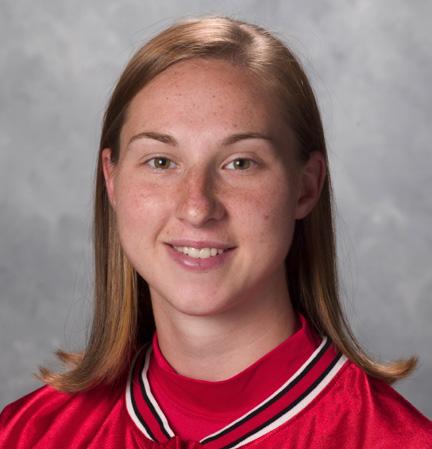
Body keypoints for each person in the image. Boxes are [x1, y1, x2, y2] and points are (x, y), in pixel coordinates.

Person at [0, 16, 431, 449]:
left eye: (240, 163)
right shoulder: (26, 435)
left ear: (306, 187)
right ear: (112, 180)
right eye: (161, 162)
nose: (196, 207)